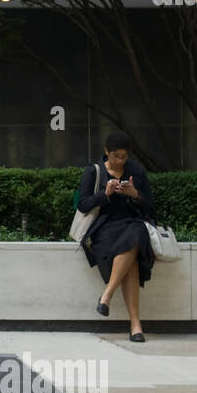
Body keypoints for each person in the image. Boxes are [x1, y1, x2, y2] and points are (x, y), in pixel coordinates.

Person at [76, 132, 153, 341]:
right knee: (132, 262)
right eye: (115, 156)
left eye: (124, 157)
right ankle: (135, 325)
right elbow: (82, 204)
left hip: (131, 223)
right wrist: (105, 194)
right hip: (104, 228)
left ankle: (107, 294)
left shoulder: (136, 171)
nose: (120, 160)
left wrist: (135, 194)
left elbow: (150, 206)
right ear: (106, 152)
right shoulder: (94, 171)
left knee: (136, 233)